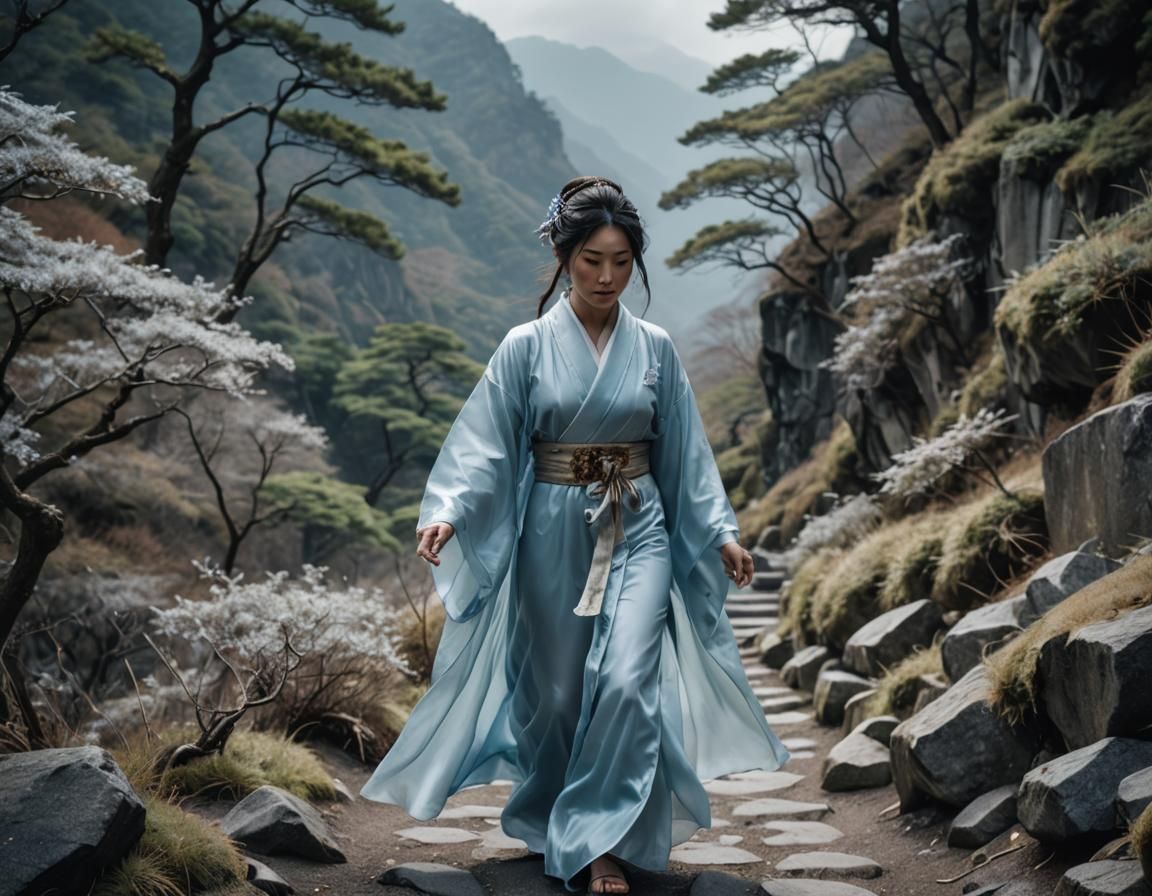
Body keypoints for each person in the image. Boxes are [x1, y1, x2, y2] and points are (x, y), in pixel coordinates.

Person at [360, 176, 789, 894]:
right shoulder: (525, 347)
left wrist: (719, 532)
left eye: (622, 261)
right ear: (564, 255)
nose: (607, 276)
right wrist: (450, 511)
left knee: (625, 680)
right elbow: (486, 446)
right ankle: (563, 818)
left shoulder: (654, 348)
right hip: (550, 528)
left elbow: (685, 450)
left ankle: (601, 844)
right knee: (555, 696)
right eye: (592, 259)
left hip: (640, 521)